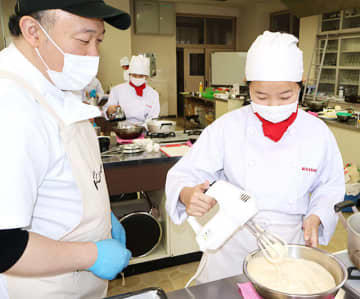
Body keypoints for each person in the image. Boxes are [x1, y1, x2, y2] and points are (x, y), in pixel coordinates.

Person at [165, 31, 345, 284]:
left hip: (289, 246)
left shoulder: (317, 133)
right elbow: (185, 173)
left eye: (285, 96)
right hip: (231, 246)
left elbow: (331, 185)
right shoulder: (227, 127)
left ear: (301, 83)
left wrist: (316, 216)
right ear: (246, 84)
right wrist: (187, 194)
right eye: (260, 96)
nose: (272, 105)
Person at [0, 1, 132, 298]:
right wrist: (92, 255)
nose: (94, 54)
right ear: (33, 30)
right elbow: (4, 245)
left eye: (98, 40)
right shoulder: (10, 106)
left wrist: (100, 216)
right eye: (84, 40)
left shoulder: (52, 84)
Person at [104, 54, 160, 124]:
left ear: (146, 77)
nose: (137, 78)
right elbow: (107, 113)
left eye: (141, 76)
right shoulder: (117, 90)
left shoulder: (153, 94)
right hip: (122, 130)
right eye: (134, 75)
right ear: (129, 75)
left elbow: (153, 118)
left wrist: (141, 128)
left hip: (144, 130)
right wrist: (109, 111)